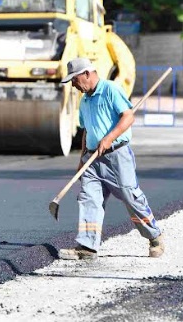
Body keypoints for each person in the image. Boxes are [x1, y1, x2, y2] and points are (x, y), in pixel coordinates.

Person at [57, 57, 164, 260]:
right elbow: (86, 132)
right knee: (89, 198)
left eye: (75, 79)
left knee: (130, 197)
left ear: (87, 74)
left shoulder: (110, 90)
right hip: (92, 159)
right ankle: (87, 247)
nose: (73, 84)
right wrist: (81, 159)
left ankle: (155, 236)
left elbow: (128, 117)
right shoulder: (85, 100)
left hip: (117, 155)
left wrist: (108, 138)